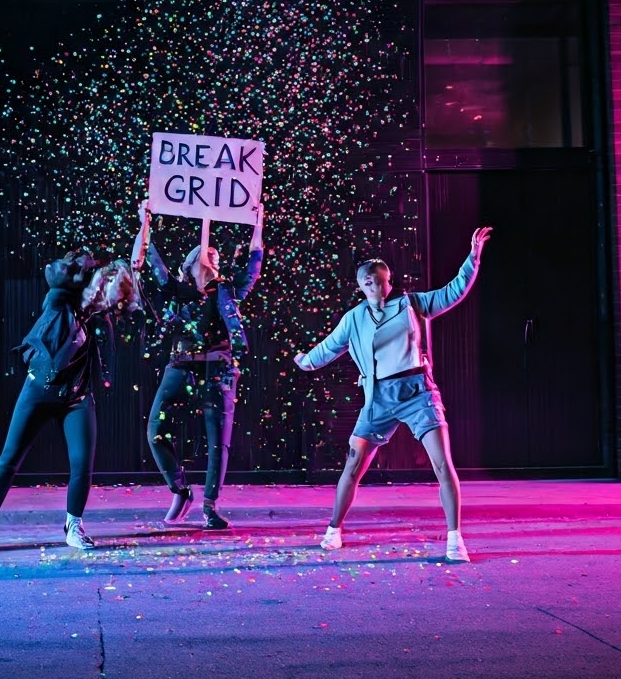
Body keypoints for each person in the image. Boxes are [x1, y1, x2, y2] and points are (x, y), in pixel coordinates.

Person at [293, 227, 492, 562]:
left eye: (378, 279)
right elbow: (327, 349)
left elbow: (453, 292)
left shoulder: (411, 304)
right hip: (379, 399)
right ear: (360, 286)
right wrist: (304, 362)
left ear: (389, 280)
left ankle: (455, 539)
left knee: (442, 464)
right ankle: (334, 530)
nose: (373, 285)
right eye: (366, 281)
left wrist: (473, 257)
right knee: (353, 466)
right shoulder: (353, 319)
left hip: (418, 393)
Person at [0, 251, 141, 553]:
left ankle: (73, 525)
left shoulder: (96, 316)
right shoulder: (59, 301)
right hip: (39, 392)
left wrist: (139, 239)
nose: (108, 290)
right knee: (9, 459)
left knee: (81, 463)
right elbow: (55, 274)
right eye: (102, 283)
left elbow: (130, 292)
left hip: (77, 398)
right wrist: (86, 264)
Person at [132, 200, 264, 529]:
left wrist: (258, 225)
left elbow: (254, 265)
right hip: (182, 362)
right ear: (191, 264)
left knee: (218, 438)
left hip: (218, 366)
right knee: (155, 431)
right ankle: (180, 489)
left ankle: (209, 506)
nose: (213, 258)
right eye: (207, 255)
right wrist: (144, 223)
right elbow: (151, 262)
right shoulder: (177, 291)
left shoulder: (227, 291)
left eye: (217, 257)